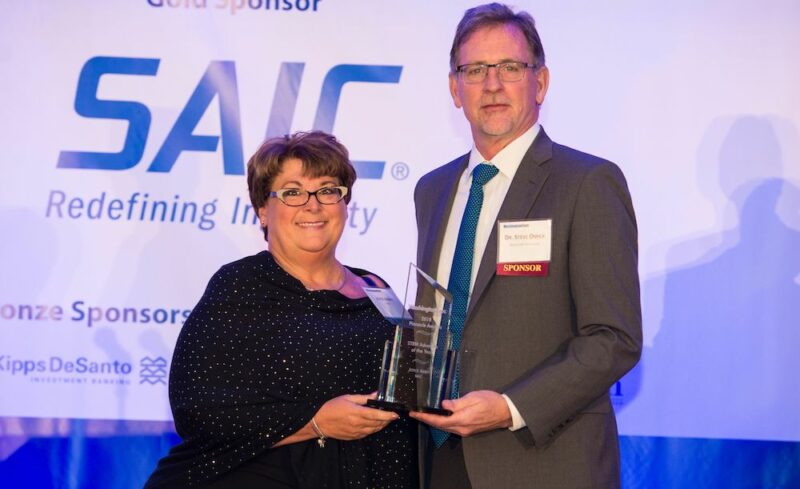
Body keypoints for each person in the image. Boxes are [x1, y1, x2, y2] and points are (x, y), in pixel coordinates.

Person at [409, 3, 642, 489]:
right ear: (454, 88)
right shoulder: (432, 190)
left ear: (540, 82)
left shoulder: (587, 183)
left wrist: (509, 407)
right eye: (475, 70)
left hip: (543, 462)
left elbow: (613, 338)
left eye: (510, 67)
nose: (492, 85)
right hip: (440, 458)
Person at [144, 131, 417, 489]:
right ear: (263, 211)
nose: (312, 205)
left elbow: (412, 387)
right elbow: (196, 411)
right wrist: (316, 422)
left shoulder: (376, 287)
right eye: (292, 193)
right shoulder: (240, 286)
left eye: (328, 190)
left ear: (345, 204)